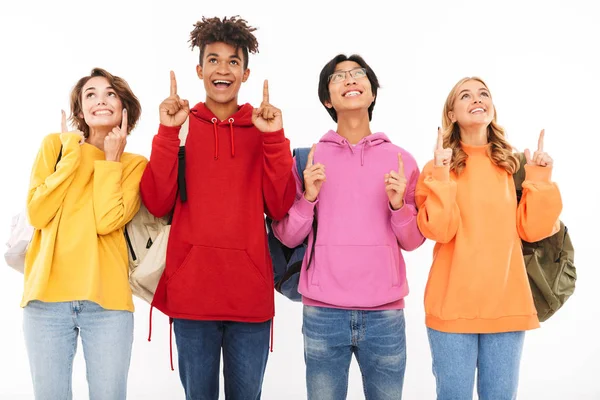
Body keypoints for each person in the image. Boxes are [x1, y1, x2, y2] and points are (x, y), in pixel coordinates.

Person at [139, 16, 296, 399]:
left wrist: (274, 140)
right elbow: (156, 201)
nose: (222, 69)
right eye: (213, 60)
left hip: (250, 298)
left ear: (245, 72)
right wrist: (167, 132)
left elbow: (280, 205)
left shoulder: (262, 129)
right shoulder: (181, 126)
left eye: (232, 61)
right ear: (199, 69)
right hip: (192, 297)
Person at [272, 54, 425, 400]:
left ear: (371, 93)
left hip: (385, 312)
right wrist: (308, 197)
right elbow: (287, 235)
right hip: (323, 312)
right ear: (328, 99)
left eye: (359, 75)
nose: (350, 79)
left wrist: (399, 205)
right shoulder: (308, 159)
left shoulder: (402, 160)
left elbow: (413, 241)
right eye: (338, 77)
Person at [415, 76, 562, 399]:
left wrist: (539, 177)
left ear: (492, 108)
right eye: (465, 96)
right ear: (451, 113)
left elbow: (533, 230)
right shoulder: (436, 166)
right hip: (451, 305)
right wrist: (441, 174)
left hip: (506, 304)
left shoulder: (513, 164)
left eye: (483, 94)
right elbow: (439, 230)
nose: (477, 99)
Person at [22, 67, 147, 400]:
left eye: (110, 94)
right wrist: (70, 155)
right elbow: (37, 212)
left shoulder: (135, 164)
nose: (100, 101)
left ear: (124, 110)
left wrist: (111, 160)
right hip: (46, 300)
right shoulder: (56, 146)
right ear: (80, 110)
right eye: (90, 94)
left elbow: (107, 221)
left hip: (107, 303)